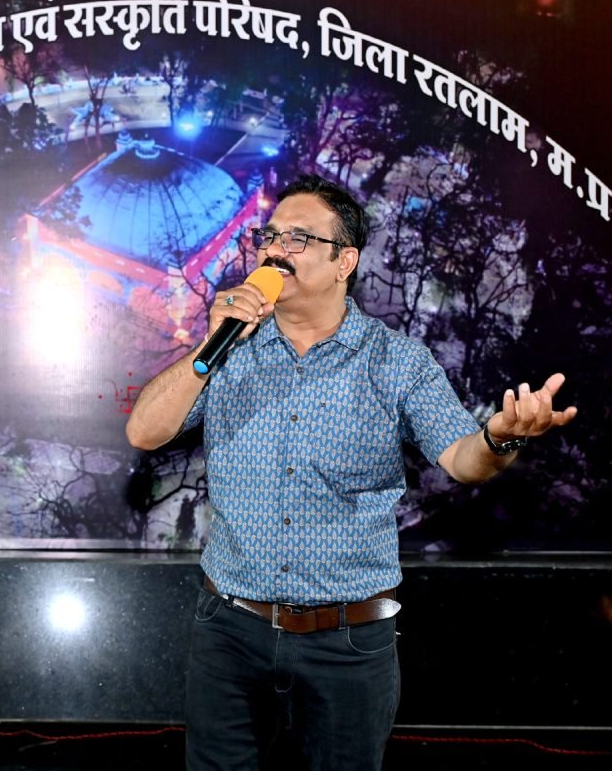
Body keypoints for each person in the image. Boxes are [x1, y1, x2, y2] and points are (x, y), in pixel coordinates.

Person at [125, 174, 577, 771]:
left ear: (345, 262)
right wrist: (211, 344)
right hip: (229, 631)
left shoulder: (397, 362)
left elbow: (463, 459)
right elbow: (144, 432)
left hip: (348, 641)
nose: (275, 249)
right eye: (270, 236)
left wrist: (502, 435)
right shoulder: (230, 349)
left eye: (298, 238)